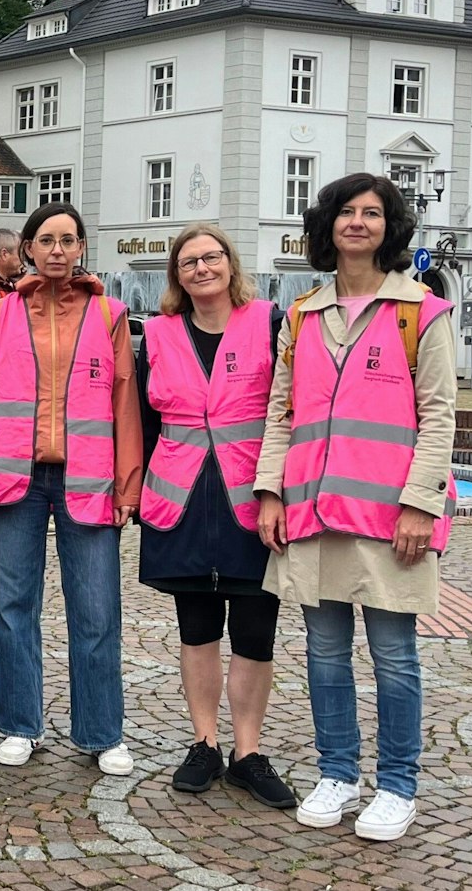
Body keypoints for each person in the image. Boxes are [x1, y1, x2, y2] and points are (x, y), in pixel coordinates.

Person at [256, 173, 457, 842]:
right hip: (314, 515)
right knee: (324, 652)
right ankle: (337, 772)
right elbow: (281, 414)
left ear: (390, 227)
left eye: (373, 213)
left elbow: (438, 416)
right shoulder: (304, 313)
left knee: (395, 656)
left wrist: (419, 506)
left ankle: (398, 784)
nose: (359, 222)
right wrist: (270, 491)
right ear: (328, 225)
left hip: (390, 520)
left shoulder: (420, 311)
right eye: (347, 212)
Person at [0, 203, 142, 776]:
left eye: (68, 239)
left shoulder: (109, 313)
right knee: (14, 607)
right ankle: (18, 722)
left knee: (95, 610)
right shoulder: (2, 313)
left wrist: (128, 486)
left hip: (88, 477)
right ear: (29, 249)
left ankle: (101, 731)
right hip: (15, 478)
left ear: (82, 247)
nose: (58, 250)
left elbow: (123, 400)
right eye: (47, 240)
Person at [137, 223, 295, 807]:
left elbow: (289, 413)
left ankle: (247, 751)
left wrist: (284, 490)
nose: (201, 269)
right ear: (176, 275)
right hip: (180, 499)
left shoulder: (271, 324)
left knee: (255, 630)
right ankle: (203, 742)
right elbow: (144, 423)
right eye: (188, 262)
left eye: (211, 258)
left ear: (231, 264)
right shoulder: (156, 335)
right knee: (196, 627)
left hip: (251, 498)